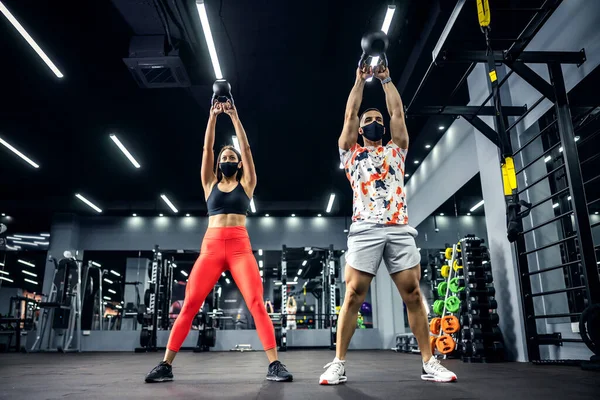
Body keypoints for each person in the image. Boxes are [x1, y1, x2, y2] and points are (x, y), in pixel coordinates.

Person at [318, 62, 457, 384]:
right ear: (361, 128)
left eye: (378, 120)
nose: (375, 123)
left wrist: (386, 80)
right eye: (370, 121)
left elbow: (397, 114)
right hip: (365, 228)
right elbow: (349, 114)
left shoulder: (397, 150)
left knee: (412, 294)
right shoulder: (350, 154)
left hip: (398, 227)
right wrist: (357, 81)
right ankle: (338, 362)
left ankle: (429, 361)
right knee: (353, 295)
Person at [145, 100, 293, 383]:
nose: (226, 159)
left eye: (230, 157)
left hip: (240, 247)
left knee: (256, 303)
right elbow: (206, 149)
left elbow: (247, 150)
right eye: (223, 157)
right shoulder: (209, 183)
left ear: (238, 164)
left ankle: (274, 364)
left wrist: (235, 116)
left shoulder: (247, 183)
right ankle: (165, 364)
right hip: (211, 247)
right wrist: (213, 117)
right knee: (189, 304)